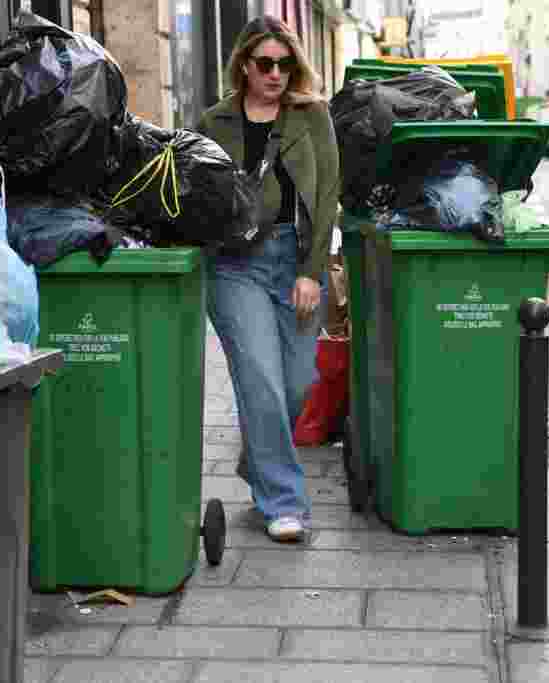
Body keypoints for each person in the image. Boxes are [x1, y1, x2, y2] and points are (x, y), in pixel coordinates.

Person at [195, 16, 339, 542]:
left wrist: (311, 272)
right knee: (260, 381)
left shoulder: (312, 117)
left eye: (285, 63)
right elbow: (194, 193)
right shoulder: (213, 123)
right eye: (265, 64)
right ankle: (283, 501)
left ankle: (260, 460)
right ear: (245, 67)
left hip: (293, 261)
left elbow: (326, 201)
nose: (275, 73)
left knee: (298, 384)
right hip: (236, 266)